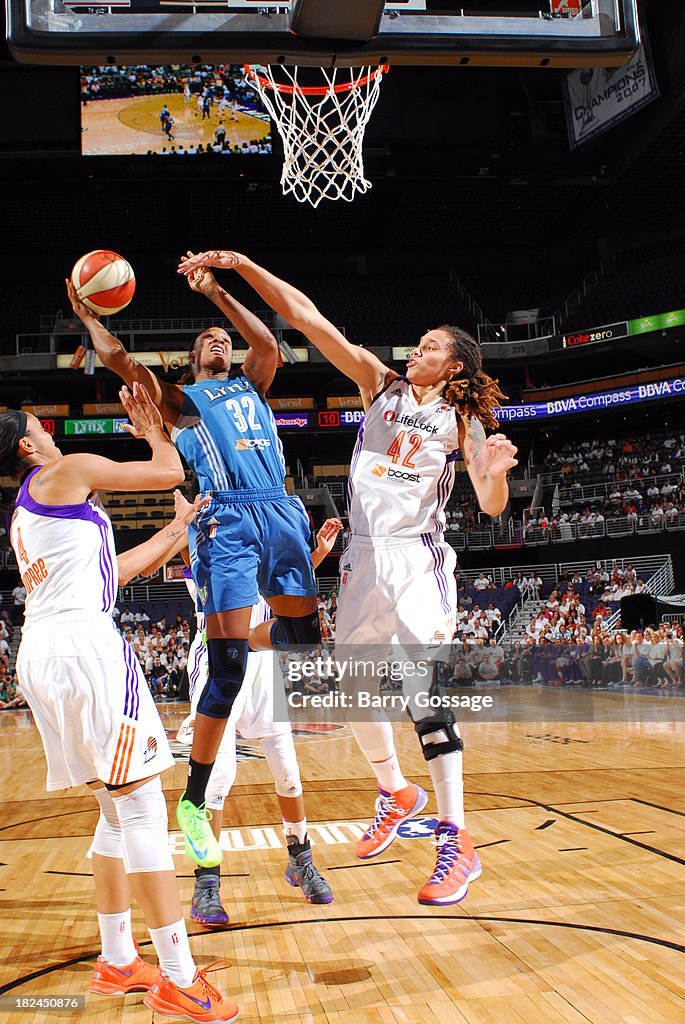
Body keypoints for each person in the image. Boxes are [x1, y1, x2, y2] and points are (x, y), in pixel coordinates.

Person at [178, 248, 518, 906]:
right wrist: (242, 266)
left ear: (451, 366)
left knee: (420, 684)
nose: (414, 351)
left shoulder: (462, 420)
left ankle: (456, 837)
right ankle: (395, 791)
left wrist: (496, 476)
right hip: (362, 556)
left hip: (415, 555)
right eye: (416, 345)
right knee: (354, 691)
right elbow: (304, 316)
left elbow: (490, 496)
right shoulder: (379, 385)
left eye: (427, 347)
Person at [66, 264, 320, 871]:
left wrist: (218, 293)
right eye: (208, 337)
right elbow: (124, 363)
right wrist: (89, 320)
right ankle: (195, 800)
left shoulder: (254, 385)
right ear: (190, 358)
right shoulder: (183, 403)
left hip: (281, 509)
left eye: (222, 336)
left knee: (304, 640)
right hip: (226, 521)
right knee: (228, 670)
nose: (220, 339)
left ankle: (207, 772)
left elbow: (265, 342)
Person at [0, 390, 238, 1022]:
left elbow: (116, 571)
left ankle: (117, 958)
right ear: (28, 447)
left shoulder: (29, 514)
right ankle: (180, 979)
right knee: (141, 810)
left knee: (113, 807)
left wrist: (178, 528)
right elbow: (169, 471)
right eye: (39, 427)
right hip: (85, 649)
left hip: (45, 651)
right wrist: (153, 429)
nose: (49, 431)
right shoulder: (62, 471)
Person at [174, 514, 343, 924]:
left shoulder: (256, 524)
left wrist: (315, 555)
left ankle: (300, 856)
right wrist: (187, 512)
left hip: (263, 660)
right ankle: (206, 882)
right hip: (220, 656)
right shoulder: (205, 533)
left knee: (288, 770)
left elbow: (274, 589)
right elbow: (186, 541)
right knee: (218, 778)